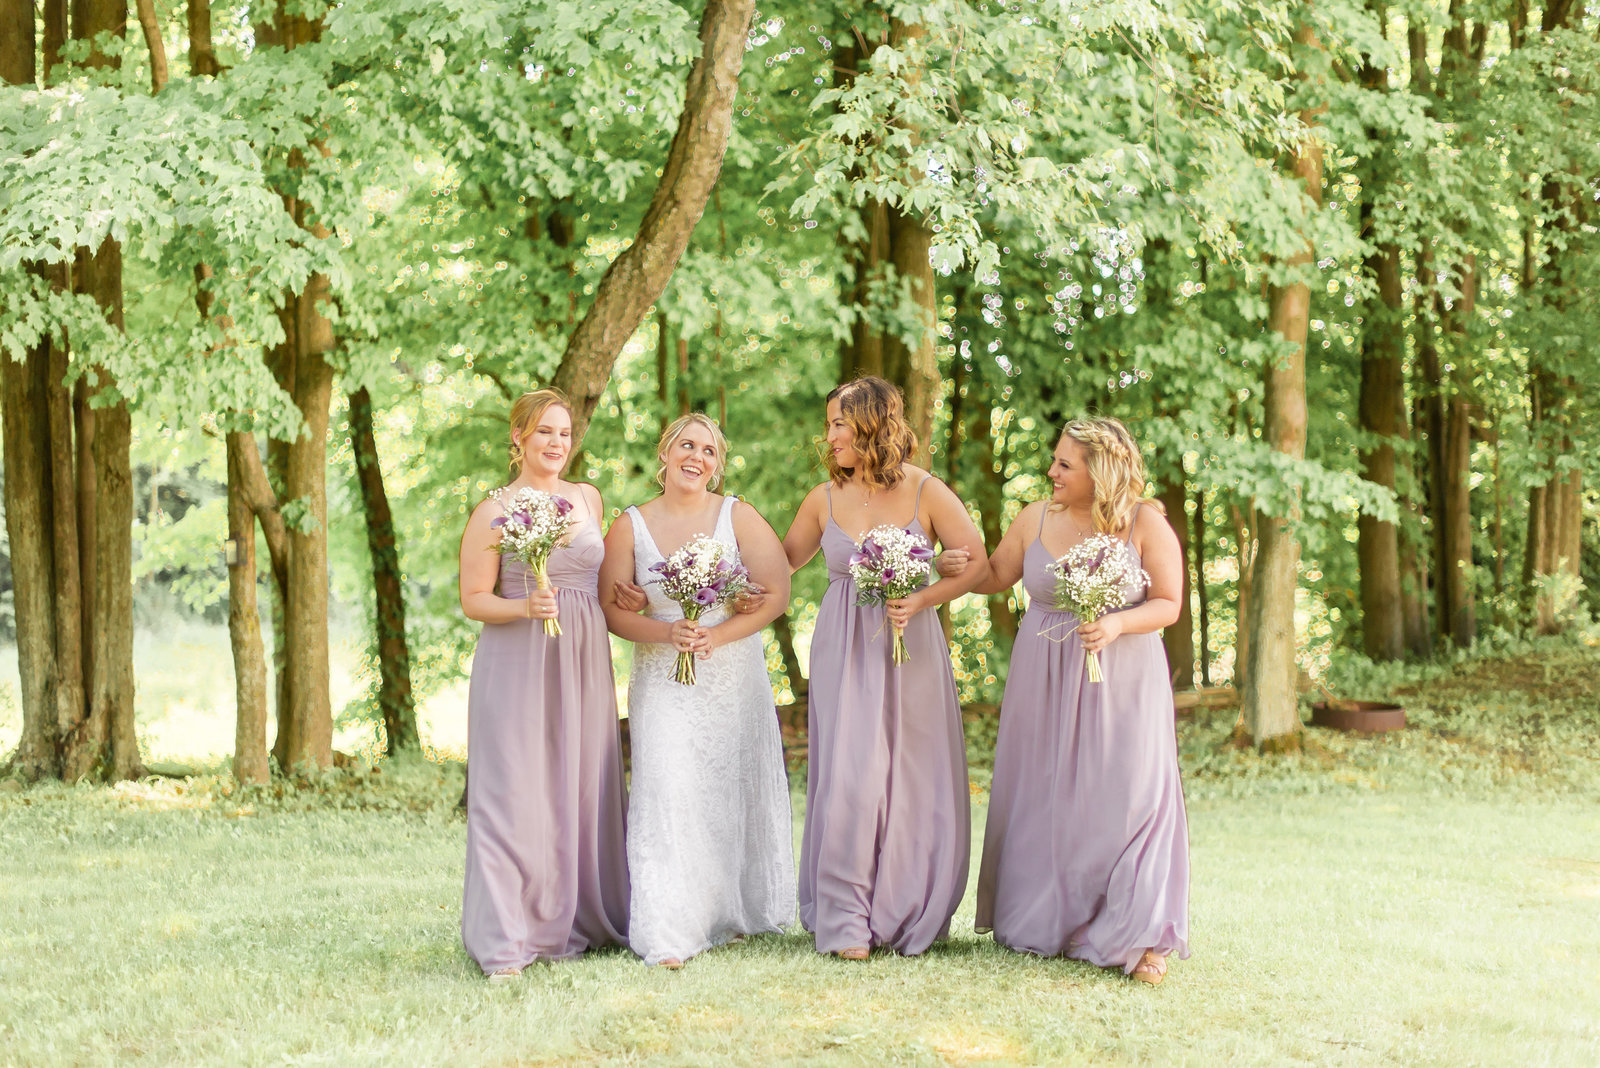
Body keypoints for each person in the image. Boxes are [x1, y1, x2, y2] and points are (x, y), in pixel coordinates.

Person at [963, 416, 1190, 985]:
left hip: (1125, 680)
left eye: (1065, 463)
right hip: (1042, 679)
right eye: (1054, 461)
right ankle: (1057, 924)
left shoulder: (1144, 523)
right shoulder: (1035, 518)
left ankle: (1142, 937)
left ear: (1100, 470)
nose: (1052, 471)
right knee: (1050, 799)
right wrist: (957, 566)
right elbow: (994, 575)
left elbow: (1168, 604)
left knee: (1131, 797)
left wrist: (1117, 626)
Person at [780, 376, 987, 958]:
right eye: (829, 425)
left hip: (911, 645)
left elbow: (975, 565)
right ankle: (846, 918)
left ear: (872, 422)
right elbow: (781, 564)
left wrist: (923, 596)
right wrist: (713, 556)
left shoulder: (927, 492)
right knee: (850, 774)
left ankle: (904, 908)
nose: (831, 436)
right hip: (844, 646)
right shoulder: (823, 499)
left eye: (839, 424)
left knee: (910, 776)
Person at [599, 413, 796, 968]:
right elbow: (613, 610)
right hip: (662, 677)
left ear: (718, 464)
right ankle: (669, 928)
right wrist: (666, 631)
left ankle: (728, 912)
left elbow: (776, 592)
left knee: (726, 787)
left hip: (731, 673)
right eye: (687, 445)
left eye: (710, 451)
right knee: (667, 785)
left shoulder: (738, 515)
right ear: (665, 452)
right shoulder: (628, 525)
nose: (698, 457)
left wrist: (717, 633)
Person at [458, 388, 629, 979]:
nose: (556, 443)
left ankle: (575, 914)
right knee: (514, 786)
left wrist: (625, 594)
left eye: (563, 433)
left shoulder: (588, 498)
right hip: (517, 658)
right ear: (518, 439)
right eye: (544, 433)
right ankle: (508, 933)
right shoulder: (493, 509)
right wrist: (523, 607)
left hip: (583, 655)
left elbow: (600, 575)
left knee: (579, 782)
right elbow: (474, 599)